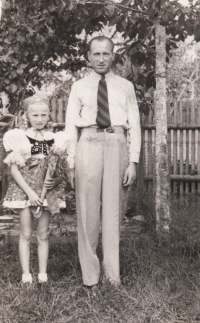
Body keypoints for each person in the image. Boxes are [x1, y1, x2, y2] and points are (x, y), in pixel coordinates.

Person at [65, 36, 141, 287]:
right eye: (96, 54)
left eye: (106, 54)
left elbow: (135, 127)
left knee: (113, 211)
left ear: (113, 56)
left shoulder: (125, 86)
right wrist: (71, 162)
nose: (100, 59)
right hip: (88, 143)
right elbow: (69, 128)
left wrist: (133, 161)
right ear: (89, 56)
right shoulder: (79, 86)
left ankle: (112, 275)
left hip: (116, 144)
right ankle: (90, 276)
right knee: (87, 212)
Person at [3, 93, 68, 284]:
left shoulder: (56, 139)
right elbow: (14, 170)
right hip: (25, 191)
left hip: (46, 192)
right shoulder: (19, 137)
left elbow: (59, 169)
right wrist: (30, 194)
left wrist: (54, 182)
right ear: (26, 116)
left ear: (49, 116)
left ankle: (42, 275)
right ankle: (26, 275)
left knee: (43, 234)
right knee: (25, 233)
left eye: (43, 115)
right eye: (35, 115)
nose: (39, 119)